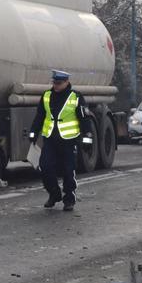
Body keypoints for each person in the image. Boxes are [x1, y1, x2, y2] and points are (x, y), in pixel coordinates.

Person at [29, 70, 93, 212]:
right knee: (45, 167)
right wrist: (33, 133)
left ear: (66, 82)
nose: (56, 86)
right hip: (50, 139)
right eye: (54, 83)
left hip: (68, 140)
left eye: (59, 83)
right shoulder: (46, 96)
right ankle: (54, 194)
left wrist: (87, 138)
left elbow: (84, 119)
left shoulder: (75, 97)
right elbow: (39, 116)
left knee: (68, 171)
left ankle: (69, 199)